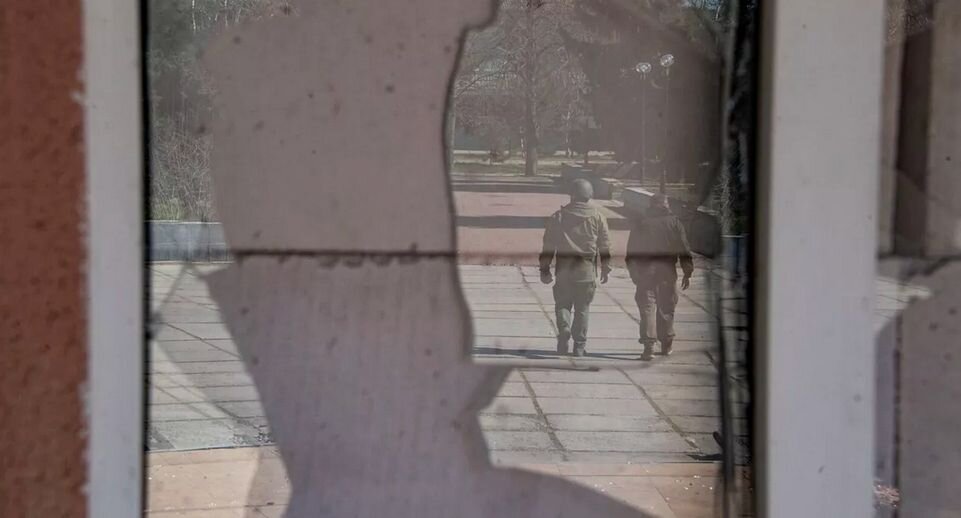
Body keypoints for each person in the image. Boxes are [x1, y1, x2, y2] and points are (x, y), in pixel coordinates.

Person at [539, 178, 612, 357]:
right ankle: (579, 346)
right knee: (582, 309)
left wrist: (545, 268)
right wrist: (605, 267)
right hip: (586, 270)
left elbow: (548, 245)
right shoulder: (598, 217)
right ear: (590, 195)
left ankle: (564, 329)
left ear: (571, 194)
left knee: (562, 304)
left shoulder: (558, 216)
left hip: (564, 269)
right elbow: (605, 245)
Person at [626, 193, 694, 360]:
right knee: (666, 308)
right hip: (667, 271)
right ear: (666, 205)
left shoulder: (641, 223)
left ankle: (649, 347)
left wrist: (633, 272)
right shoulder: (674, 223)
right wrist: (687, 271)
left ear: (651, 205)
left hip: (645, 272)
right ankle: (666, 344)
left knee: (647, 308)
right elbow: (684, 249)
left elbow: (631, 251)